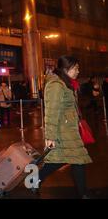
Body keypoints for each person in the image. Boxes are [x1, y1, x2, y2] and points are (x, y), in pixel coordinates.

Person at [37, 55, 92, 198]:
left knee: (62, 160)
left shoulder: (66, 83)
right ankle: (83, 194)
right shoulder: (56, 85)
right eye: (75, 68)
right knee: (76, 160)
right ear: (66, 69)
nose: (78, 71)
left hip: (69, 130)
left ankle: (34, 180)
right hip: (61, 131)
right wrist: (50, 136)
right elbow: (51, 111)